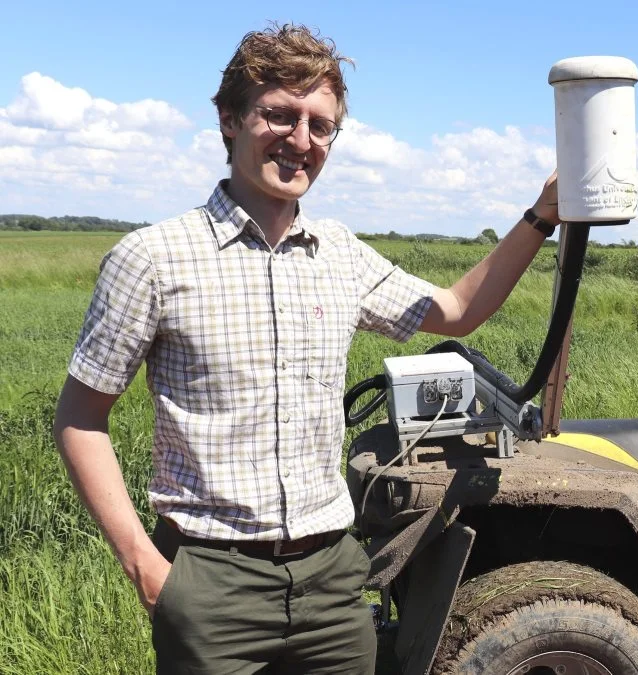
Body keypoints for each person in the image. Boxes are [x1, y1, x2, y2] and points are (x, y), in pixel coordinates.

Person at [51, 23, 561, 673]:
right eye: (280, 115)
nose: (301, 141)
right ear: (229, 119)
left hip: (331, 583)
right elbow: (80, 418)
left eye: (321, 126)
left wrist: (542, 212)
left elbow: (457, 310)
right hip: (210, 580)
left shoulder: (340, 255)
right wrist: (146, 567)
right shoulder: (152, 259)